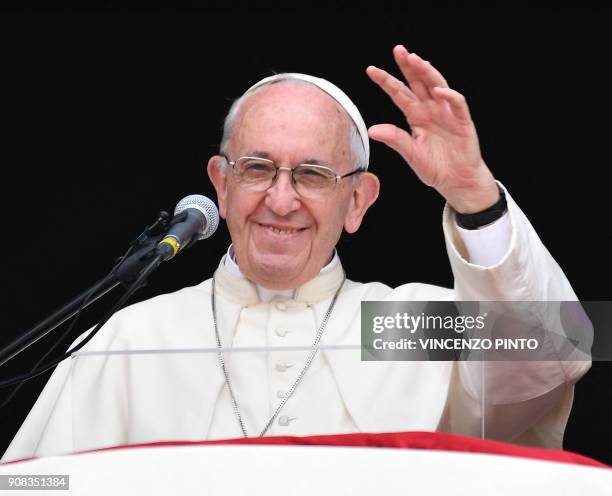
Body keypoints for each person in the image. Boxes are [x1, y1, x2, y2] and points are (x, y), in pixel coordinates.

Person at [1, 45, 590, 462]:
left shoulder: (397, 327)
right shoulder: (134, 335)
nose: (280, 201)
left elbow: (559, 348)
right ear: (221, 186)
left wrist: (476, 198)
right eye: (257, 169)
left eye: (312, 174)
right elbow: (40, 483)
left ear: (357, 200)